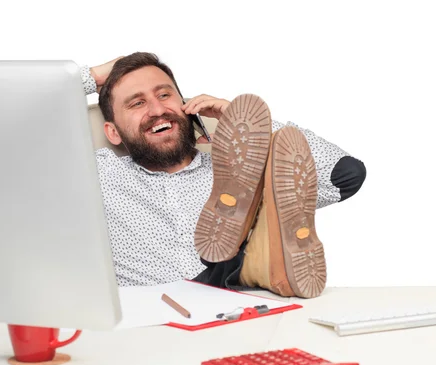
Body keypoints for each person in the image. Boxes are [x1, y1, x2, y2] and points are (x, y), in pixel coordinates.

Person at [79, 52, 366, 298]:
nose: (158, 110)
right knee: (230, 267)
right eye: (137, 103)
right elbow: (33, 120)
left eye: (165, 95)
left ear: (187, 106)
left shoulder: (233, 164)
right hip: (152, 316)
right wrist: (92, 76)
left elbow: (345, 175)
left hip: (235, 314)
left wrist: (247, 127)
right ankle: (260, 260)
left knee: (241, 249)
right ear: (112, 132)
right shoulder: (93, 174)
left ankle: (259, 247)